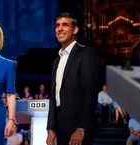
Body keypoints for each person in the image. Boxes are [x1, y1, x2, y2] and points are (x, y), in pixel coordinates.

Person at [46, 12, 99, 145]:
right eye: (57, 25)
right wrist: (51, 128)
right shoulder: (56, 60)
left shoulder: (86, 53)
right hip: (60, 126)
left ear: (75, 30)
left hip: (78, 126)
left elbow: (90, 93)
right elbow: (53, 97)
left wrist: (81, 128)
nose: (60, 28)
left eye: (65, 25)